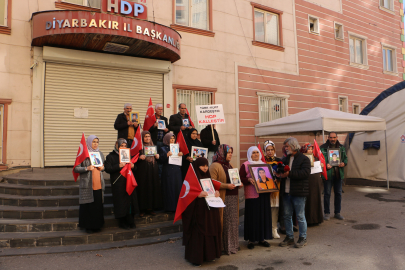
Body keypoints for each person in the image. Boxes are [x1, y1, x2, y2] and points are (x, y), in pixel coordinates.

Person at [182, 157, 222, 266]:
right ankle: (196, 258)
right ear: (197, 166)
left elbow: (212, 190)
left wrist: (216, 193)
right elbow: (185, 195)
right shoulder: (191, 179)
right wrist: (197, 195)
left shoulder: (208, 177)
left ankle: (209, 255)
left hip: (209, 211)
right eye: (202, 166)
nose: (205, 168)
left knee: (210, 231)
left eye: (206, 165)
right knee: (199, 234)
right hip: (198, 213)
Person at [277, 137, 311, 248]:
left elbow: (305, 173)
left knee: (300, 216)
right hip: (286, 192)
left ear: (293, 146)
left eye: (287, 146)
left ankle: (303, 238)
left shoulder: (304, 159)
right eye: (285, 146)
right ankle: (289, 237)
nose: (285, 148)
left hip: (298, 192)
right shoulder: (285, 159)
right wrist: (278, 172)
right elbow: (282, 170)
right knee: (287, 216)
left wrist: (289, 174)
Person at [209, 144, 241, 255]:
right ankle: (224, 247)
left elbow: (234, 179)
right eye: (228, 152)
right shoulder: (215, 165)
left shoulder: (230, 165)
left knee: (233, 223)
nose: (231, 154)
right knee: (226, 223)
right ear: (222, 153)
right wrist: (226, 186)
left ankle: (233, 245)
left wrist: (238, 184)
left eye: (231, 152)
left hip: (233, 197)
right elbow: (211, 182)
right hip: (224, 197)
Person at [240, 146, 272, 249]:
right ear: (249, 154)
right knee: (252, 217)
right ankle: (251, 240)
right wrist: (248, 180)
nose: (256, 155)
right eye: (253, 153)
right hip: (252, 194)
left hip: (264, 194)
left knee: (263, 216)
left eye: (257, 153)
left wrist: (272, 182)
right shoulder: (245, 165)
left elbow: (268, 178)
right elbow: (240, 178)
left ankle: (262, 238)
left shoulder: (264, 165)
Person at [74, 135, 105, 233]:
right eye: (93, 142)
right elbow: (76, 168)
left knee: (97, 206)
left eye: (97, 142)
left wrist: (102, 168)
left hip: (98, 183)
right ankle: (88, 226)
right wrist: (86, 168)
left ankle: (97, 225)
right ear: (89, 142)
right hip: (88, 185)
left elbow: (103, 166)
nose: (95, 144)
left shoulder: (100, 153)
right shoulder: (84, 154)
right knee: (88, 206)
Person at [104, 138, 138, 229]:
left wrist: (133, 166)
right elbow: (107, 168)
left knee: (130, 201)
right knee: (121, 202)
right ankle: (122, 222)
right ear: (116, 145)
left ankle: (131, 221)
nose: (123, 147)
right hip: (118, 183)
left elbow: (135, 168)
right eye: (121, 145)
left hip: (129, 181)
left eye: (125, 146)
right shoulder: (110, 156)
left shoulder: (128, 154)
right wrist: (118, 166)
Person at [321, 132, 348, 221]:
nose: (332, 139)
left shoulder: (341, 147)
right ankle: (327, 213)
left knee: (338, 194)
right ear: (328, 137)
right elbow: (319, 160)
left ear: (337, 137)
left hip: (338, 174)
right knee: (327, 194)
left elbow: (345, 158)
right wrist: (325, 165)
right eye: (331, 137)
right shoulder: (323, 148)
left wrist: (344, 163)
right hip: (328, 174)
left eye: (334, 137)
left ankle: (337, 213)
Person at [135, 131, 162, 217]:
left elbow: (158, 160)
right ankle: (142, 209)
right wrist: (139, 158)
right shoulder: (139, 147)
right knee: (143, 189)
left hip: (152, 171)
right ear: (142, 138)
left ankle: (150, 208)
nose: (147, 138)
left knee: (152, 187)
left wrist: (158, 157)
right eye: (145, 136)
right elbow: (133, 159)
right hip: (142, 172)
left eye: (149, 136)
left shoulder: (153, 147)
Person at [158, 133, 183, 212]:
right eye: (171, 138)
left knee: (177, 188)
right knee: (169, 189)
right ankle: (169, 207)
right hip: (168, 170)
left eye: (173, 138)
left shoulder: (177, 147)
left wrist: (181, 155)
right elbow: (160, 160)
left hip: (176, 170)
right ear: (167, 139)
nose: (172, 140)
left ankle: (177, 207)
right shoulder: (163, 148)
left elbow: (182, 160)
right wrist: (166, 155)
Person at [301, 143, 324, 225]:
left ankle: (316, 219)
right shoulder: (302, 158)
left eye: (311, 149)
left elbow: (319, 169)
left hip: (316, 181)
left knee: (316, 198)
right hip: (308, 181)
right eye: (308, 149)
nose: (310, 150)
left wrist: (321, 165)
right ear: (304, 150)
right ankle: (309, 219)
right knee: (309, 199)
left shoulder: (316, 158)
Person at [263, 141, 282, 239]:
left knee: (274, 209)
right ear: (265, 151)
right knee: (265, 209)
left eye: (271, 150)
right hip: (264, 189)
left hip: (275, 190)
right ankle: (266, 229)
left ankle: (274, 229)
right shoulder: (262, 161)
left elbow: (282, 174)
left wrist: (278, 177)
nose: (270, 152)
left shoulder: (279, 161)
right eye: (268, 150)